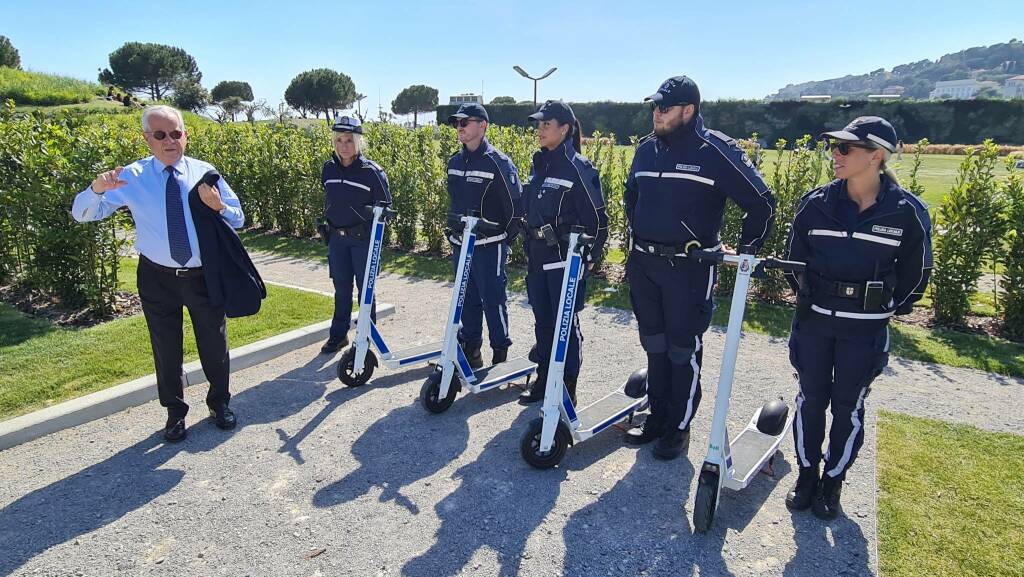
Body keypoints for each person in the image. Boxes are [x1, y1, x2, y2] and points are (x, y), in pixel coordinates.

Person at [783, 116, 932, 519]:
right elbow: (794, 262)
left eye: (846, 148)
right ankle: (807, 474)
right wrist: (814, 300)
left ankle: (833, 481)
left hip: (864, 331)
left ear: (876, 157)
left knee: (848, 407)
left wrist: (883, 306)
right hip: (814, 324)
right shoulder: (816, 204)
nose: (836, 154)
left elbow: (916, 274)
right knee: (811, 402)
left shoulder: (907, 212)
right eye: (835, 147)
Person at [622, 76, 777, 461]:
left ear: (688, 110)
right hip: (644, 263)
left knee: (681, 348)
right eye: (654, 107)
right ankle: (657, 415)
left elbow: (761, 203)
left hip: (688, 268)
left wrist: (746, 253)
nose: (656, 114)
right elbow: (632, 194)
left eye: (664, 108)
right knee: (653, 343)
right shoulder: (645, 150)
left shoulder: (715, 151)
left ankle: (679, 426)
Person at [71, 105, 245, 442]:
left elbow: (238, 217)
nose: (170, 141)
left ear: (186, 136)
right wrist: (96, 189)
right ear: (147, 139)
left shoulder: (205, 172)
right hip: (156, 276)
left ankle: (219, 403)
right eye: (161, 135)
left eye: (176, 133)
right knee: (166, 348)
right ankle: (175, 412)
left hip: (202, 276)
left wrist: (220, 207)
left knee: (214, 344)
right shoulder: (132, 178)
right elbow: (83, 214)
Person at [517, 100, 608, 405]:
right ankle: (544, 379)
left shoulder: (579, 169)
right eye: (538, 125)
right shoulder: (539, 164)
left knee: (564, 324)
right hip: (537, 256)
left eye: (546, 124)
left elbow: (598, 221)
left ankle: (567, 386)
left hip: (563, 259)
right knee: (543, 321)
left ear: (564, 129)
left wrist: (587, 260)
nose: (540, 130)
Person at [445, 103, 523, 368]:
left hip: (490, 246)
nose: (460, 128)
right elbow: (454, 201)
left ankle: (500, 353)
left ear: (483, 126)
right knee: (465, 298)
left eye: (465, 122)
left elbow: (515, 208)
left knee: (493, 300)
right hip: (460, 245)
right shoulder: (454, 163)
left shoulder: (498, 163)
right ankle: (472, 349)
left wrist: (503, 239)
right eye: (457, 123)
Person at [318, 116, 393, 354]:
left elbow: (386, 210)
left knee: (365, 290)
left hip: (363, 241)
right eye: (339, 140)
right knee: (341, 289)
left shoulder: (372, 172)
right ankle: (338, 336)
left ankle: (365, 338)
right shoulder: (328, 169)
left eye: (349, 140)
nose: (343, 145)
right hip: (337, 240)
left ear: (358, 142)